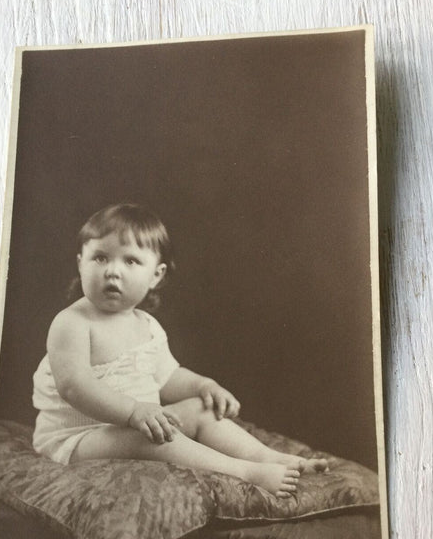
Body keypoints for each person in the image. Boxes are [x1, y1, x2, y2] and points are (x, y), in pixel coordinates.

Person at [32, 203, 328, 498]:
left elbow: (167, 376)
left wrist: (203, 385)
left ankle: (266, 457)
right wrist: (133, 411)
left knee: (200, 407)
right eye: (100, 258)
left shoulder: (147, 325)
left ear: (156, 276)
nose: (112, 271)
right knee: (153, 437)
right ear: (80, 263)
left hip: (138, 421)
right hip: (79, 438)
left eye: (131, 261)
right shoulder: (72, 323)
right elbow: (74, 386)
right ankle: (244, 472)